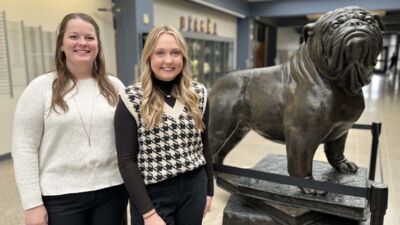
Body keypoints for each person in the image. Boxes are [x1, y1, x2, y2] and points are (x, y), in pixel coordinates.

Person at [12, 13, 128, 225]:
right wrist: (32, 204)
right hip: (60, 198)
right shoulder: (40, 89)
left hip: (112, 191)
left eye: (90, 38)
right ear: (61, 44)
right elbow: (24, 147)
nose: (82, 43)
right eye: (74, 36)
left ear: (98, 45)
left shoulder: (115, 87)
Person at [114, 25, 214, 225]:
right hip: (152, 195)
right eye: (160, 53)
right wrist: (148, 213)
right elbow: (127, 161)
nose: (168, 60)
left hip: (194, 189)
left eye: (175, 53)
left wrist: (209, 190)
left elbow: (205, 145)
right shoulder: (132, 98)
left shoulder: (198, 94)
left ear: (183, 57)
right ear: (149, 56)